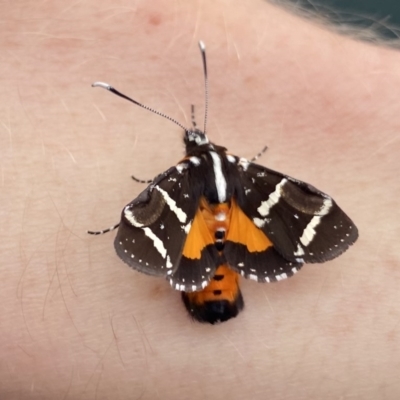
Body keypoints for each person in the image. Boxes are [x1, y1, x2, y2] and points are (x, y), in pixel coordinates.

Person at [2, 0, 399, 398]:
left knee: (193, 233)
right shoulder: (246, 172)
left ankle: (203, 277)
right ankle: (219, 278)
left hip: (198, 246)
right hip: (247, 239)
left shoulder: (174, 179)